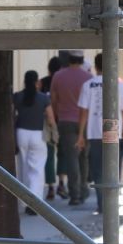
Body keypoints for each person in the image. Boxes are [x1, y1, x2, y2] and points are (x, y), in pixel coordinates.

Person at [76, 53, 123, 198]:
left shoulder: (88, 85)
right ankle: (112, 202)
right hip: (111, 125)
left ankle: (102, 203)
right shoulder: (118, 83)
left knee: (97, 169)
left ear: (96, 67)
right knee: (113, 168)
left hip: (94, 130)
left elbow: (83, 112)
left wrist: (80, 135)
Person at [50, 51, 93, 205]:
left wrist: (56, 116)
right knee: (84, 157)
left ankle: (75, 194)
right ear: (82, 60)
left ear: (68, 60)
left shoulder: (58, 76)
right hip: (85, 122)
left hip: (65, 120)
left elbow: (54, 100)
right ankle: (84, 190)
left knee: (71, 158)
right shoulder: (89, 78)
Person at [12, 70, 50, 213]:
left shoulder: (17, 96)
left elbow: (11, 113)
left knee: (23, 167)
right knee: (37, 168)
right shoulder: (43, 98)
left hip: (21, 133)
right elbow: (51, 118)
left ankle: (24, 199)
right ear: (36, 82)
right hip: (38, 135)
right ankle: (35, 201)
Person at [41, 56, 62, 200]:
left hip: (48, 124)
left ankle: (51, 187)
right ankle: (62, 183)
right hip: (63, 121)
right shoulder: (62, 81)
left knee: (49, 156)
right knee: (63, 155)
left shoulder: (42, 82)